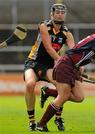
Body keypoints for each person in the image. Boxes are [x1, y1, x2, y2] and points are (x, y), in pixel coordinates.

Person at [36, 20, 95, 132]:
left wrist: (76, 71)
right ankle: (41, 124)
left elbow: (81, 56)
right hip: (66, 65)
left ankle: (48, 92)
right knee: (63, 97)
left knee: (79, 97)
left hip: (72, 67)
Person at [24, 3, 75, 131]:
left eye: (62, 12)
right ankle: (32, 121)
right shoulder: (44, 26)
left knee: (62, 87)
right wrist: (61, 61)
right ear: (51, 14)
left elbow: (74, 51)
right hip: (33, 62)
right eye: (57, 12)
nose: (60, 14)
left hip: (49, 65)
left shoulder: (67, 33)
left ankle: (58, 118)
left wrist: (76, 64)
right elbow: (48, 48)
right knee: (30, 84)